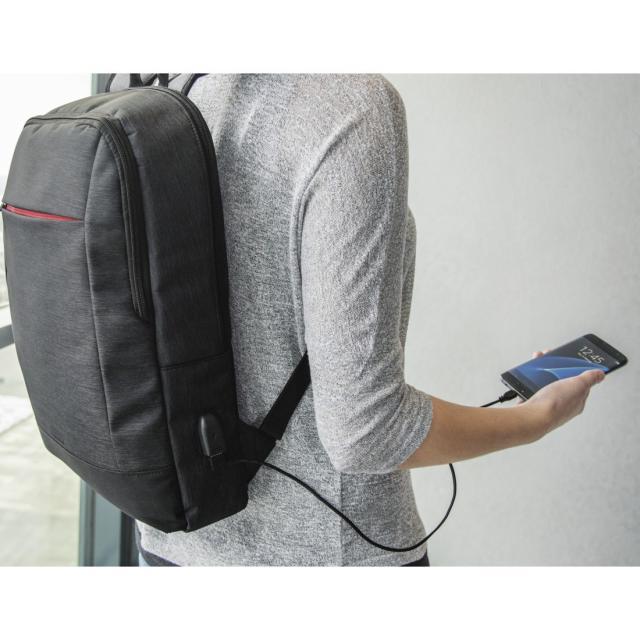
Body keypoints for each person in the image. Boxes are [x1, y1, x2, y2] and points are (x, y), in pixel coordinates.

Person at [136, 74, 604, 567]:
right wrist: (534, 420)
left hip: (171, 543)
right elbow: (366, 432)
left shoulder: (166, 88)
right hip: (328, 557)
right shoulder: (352, 106)